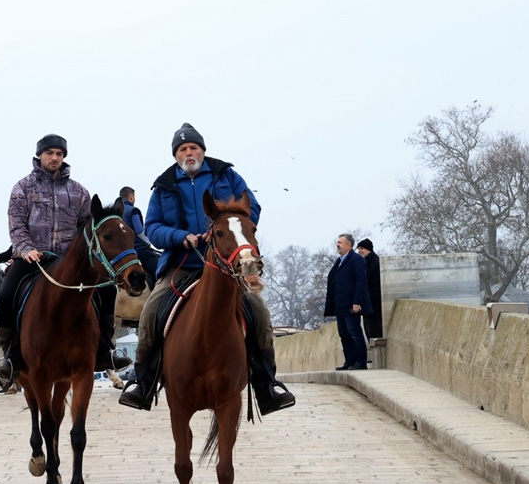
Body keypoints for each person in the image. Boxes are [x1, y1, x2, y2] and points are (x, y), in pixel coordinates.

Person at [120, 123, 296, 414]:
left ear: (202, 150)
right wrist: (182, 237)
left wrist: (223, 225)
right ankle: (142, 381)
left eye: (194, 148)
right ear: (176, 155)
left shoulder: (225, 174)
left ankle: (268, 384)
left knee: (260, 312)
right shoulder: (163, 185)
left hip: (226, 266)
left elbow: (253, 210)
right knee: (151, 311)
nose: (189, 153)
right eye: (183, 149)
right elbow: (151, 228)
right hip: (181, 266)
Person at [0, 134, 130, 390]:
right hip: (33, 258)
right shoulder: (23, 188)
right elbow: (17, 224)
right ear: (39, 156)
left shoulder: (78, 191)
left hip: (71, 262)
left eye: (59, 154)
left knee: (107, 290)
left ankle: (105, 350)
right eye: (50, 153)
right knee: (4, 296)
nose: (54, 158)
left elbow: (88, 228)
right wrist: (25, 249)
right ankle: (10, 357)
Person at [326, 233, 371, 370]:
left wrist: (357, 301)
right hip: (340, 304)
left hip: (351, 304)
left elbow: (360, 281)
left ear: (348, 245)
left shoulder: (356, 260)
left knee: (354, 332)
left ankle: (360, 361)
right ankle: (349, 361)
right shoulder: (339, 261)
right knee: (344, 334)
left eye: (340, 242)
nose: (337, 245)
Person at [119, 186, 159, 290]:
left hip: (123, 253)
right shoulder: (133, 211)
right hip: (140, 251)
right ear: (131, 197)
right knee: (162, 270)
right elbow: (140, 231)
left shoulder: (117, 213)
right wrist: (148, 243)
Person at [357, 238, 384, 339]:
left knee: (374, 335)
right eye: (359, 248)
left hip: (374, 307)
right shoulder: (364, 263)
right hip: (368, 307)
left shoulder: (375, 263)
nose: (359, 251)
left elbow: (375, 287)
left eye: (362, 248)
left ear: (369, 249)